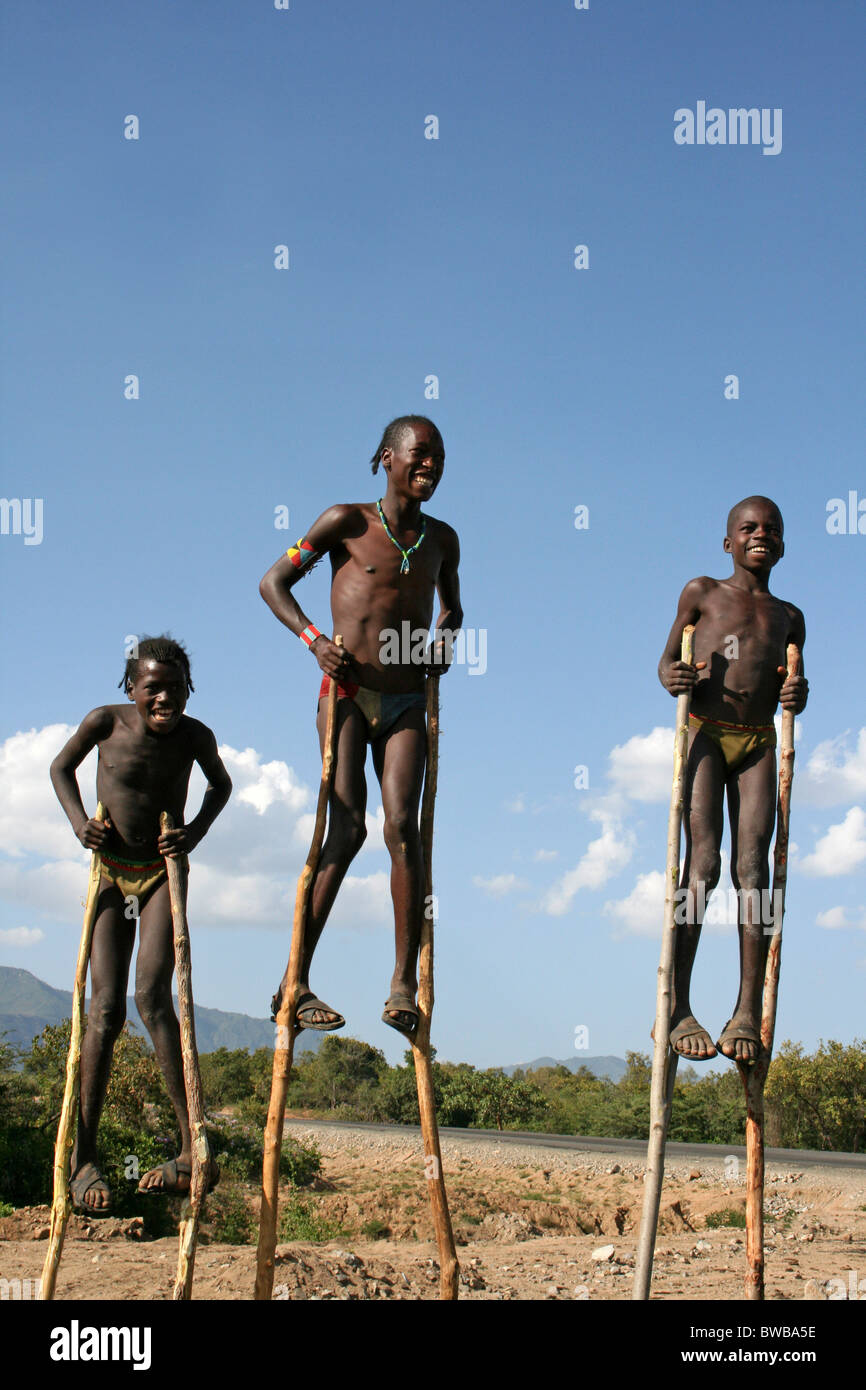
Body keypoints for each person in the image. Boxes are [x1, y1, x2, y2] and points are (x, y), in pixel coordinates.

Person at [260, 415, 462, 1040]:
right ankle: (294, 985)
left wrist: (442, 645)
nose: (429, 465)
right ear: (386, 458)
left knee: (404, 829)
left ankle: (403, 984)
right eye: (418, 454)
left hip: (405, 703)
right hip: (346, 693)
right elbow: (275, 582)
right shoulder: (345, 522)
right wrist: (315, 641)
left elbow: (454, 609)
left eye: (439, 457)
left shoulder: (442, 540)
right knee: (345, 829)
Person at [50, 636, 231, 1212]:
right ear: (132, 688)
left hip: (159, 874)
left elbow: (220, 786)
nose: (165, 698)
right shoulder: (104, 722)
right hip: (110, 873)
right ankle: (82, 1160)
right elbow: (60, 768)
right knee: (104, 1009)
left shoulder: (195, 736)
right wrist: (82, 824)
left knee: (154, 998)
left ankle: (190, 1151)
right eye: (153, 688)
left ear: (188, 690)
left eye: (176, 688)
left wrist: (193, 833)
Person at [658, 497, 807, 1062]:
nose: (760, 535)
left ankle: (745, 1011)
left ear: (783, 544)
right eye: (748, 528)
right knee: (704, 865)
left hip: (759, 742)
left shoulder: (790, 616)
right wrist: (675, 675)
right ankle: (678, 1006)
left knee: (754, 870)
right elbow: (666, 663)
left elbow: (792, 683)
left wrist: (799, 692)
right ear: (728, 542)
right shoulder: (702, 592)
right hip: (705, 733)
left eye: (771, 529)